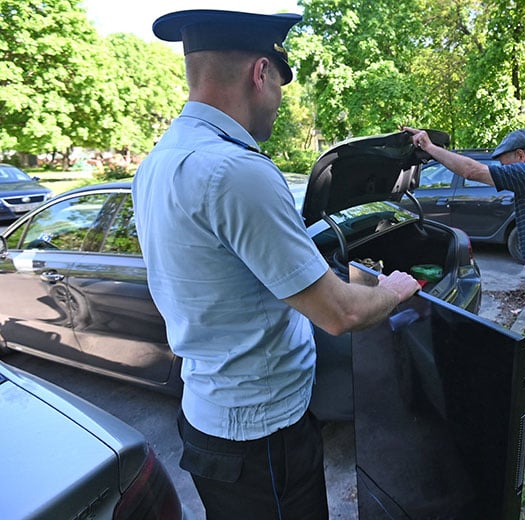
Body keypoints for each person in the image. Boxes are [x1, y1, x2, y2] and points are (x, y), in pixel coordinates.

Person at [132, 10, 421, 519]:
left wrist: (353, 276)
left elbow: (246, 276)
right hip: (264, 439)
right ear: (259, 73)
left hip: (209, 422)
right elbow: (340, 316)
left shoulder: (159, 161)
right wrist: (394, 289)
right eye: (280, 88)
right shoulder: (237, 170)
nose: (279, 106)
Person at [403, 127, 525, 448]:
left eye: (506, 164)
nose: (505, 173)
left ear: (521, 156)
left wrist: (429, 146)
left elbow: (472, 170)